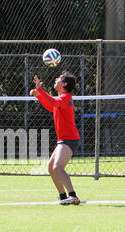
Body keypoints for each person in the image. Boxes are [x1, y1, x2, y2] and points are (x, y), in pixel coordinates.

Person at [30, 72, 81, 205]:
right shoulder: (61, 99)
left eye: (59, 79)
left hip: (69, 139)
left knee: (58, 167)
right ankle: (63, 196)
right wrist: (39, 96)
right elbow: (51, 106)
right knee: (51, 167)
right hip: (63, 139)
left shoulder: (66, 97)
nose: (55, 79)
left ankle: (73, 196)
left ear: (64, 84)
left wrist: (40, 90)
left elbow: (52, 102)